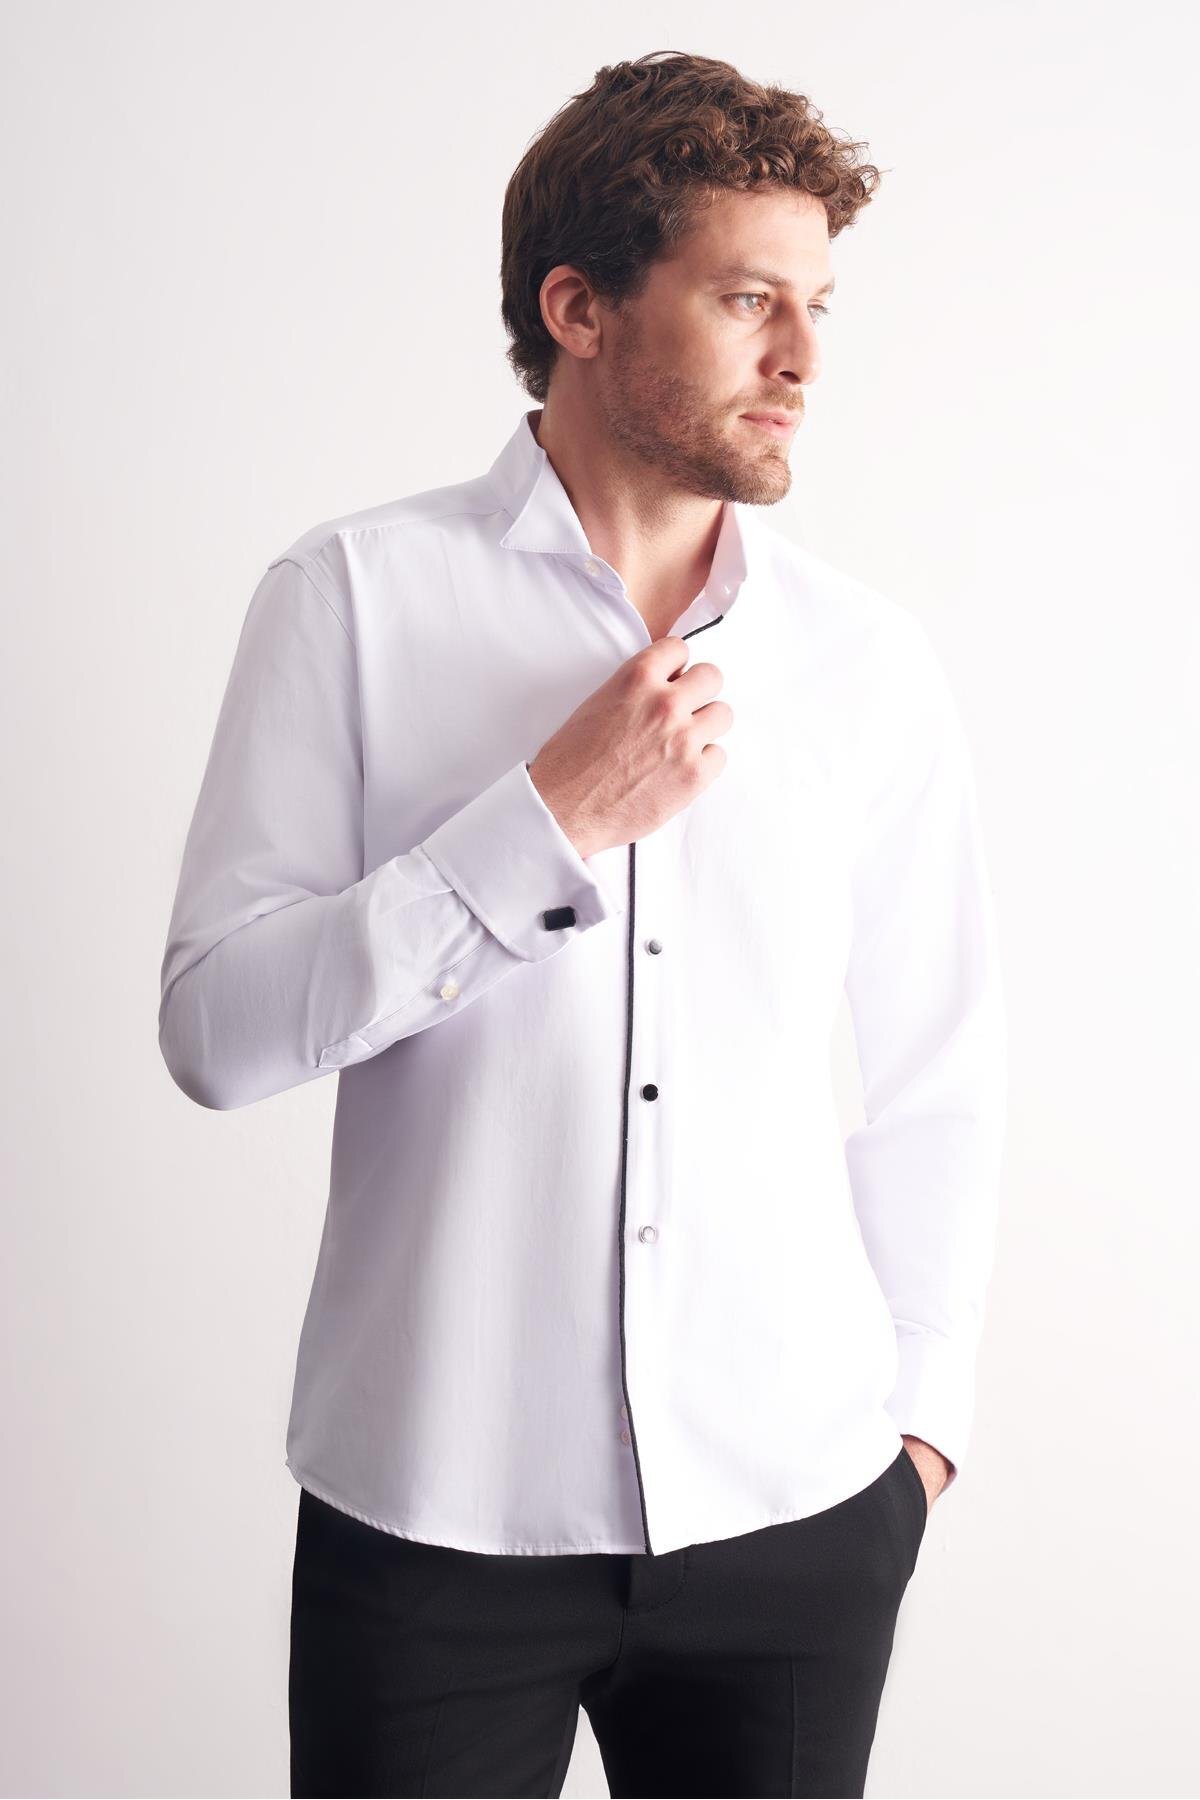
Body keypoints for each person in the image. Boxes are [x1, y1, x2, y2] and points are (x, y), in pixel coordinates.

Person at [158, 48, 1007, 1800]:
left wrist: (917, 1438)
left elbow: (941, 1076)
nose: (804, 357)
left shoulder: (867, 663)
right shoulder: (351, 601)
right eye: (750, 298)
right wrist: (540, 825)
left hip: (798, 1517)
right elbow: (217, 1032)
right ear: (581, 309)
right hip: (433, 1519)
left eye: (820, 305)